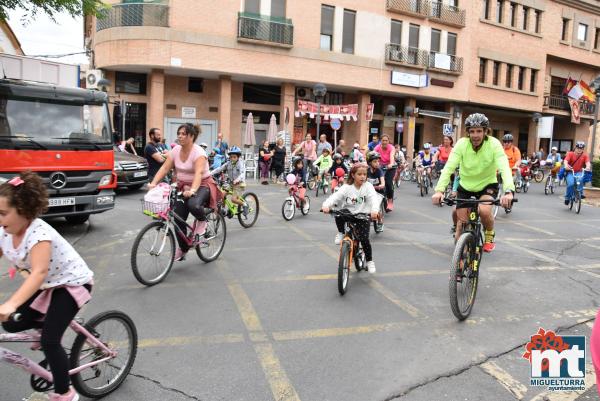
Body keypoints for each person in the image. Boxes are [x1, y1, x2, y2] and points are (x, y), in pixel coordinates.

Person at [0, 171, 94, 401]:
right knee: (11, 325)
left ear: (24, 210)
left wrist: (11, 303)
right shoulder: (5, 231)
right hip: (49, 285)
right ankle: (45, 325)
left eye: (3, 213)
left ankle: (66, 393)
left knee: (50, 341)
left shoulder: (39, 234)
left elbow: (39, 273)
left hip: (71, 284)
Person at [432, 113, 514, 252]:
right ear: (468, 133)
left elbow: (504, 167)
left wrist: (508, 191)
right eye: (472, 131)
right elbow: (449, 167)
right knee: (460, 225)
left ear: (485, 131)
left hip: (487, 185)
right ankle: (459, 267)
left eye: (479, 131)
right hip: (466, 186)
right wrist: (439, 190)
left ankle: (489, 233)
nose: (475, 135)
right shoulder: (461, 144)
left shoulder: (494, 144)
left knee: (484, 210)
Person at [148, 124, 219, 261]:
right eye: (178, 133)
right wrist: (153, 183)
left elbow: (198, 173)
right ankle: (183, 248)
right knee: (177, 217)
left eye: (183, 134)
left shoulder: (199, 153)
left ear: (191, 136)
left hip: (203, 185)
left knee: (194, 204)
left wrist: (193, 190)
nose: (179, 136)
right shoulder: (175, 151)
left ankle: (202, 220)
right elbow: (164, 168)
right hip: (183, 187)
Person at [322, 163, 380, 273]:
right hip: (349, 213)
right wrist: (326, 205)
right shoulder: (346, 187)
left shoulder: (368, 187)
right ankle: (340, 232)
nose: (363, 176)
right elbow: (335, 197)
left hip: (363, 215)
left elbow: (374, 199)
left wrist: (374, 211)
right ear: (353, 175)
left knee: (364, 239)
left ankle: (369, 261)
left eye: (364, 174)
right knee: (338, 212)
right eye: (359, 174)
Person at [211, 146, 248, 214]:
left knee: (233, 199)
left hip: (239, 184)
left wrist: (237, 180)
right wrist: (209, 173)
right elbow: (219, 169)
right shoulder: (228, 163)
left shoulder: (240, 163)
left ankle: (244, 204)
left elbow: (242, 174)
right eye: (231, 157)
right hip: (231, 183)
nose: (232, 159)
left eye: (234, 157)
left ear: (238, 157)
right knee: (221, 194)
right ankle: (223, 209)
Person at [374, 134, 396, 212]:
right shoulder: (377, 147)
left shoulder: (391, 148)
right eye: (383, 140)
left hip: (390, 167)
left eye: (386, 140)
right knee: (376, 182)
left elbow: (392, 156)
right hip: (380, 166)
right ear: (381, 141)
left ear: (388, 141)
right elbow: (373, 156)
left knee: (388, 183)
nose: (385, 142)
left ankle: (390, 200)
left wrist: (391, 164)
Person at [367, 151, 385, 233]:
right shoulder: (366, 171)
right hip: (368, 192)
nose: (377, 163)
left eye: (378, 161)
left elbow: (382, 182)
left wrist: (381, 185)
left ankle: (380, 221)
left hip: (378, 192)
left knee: (376, 206)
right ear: (369, 162)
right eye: (375, 161)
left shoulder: (379, 171)